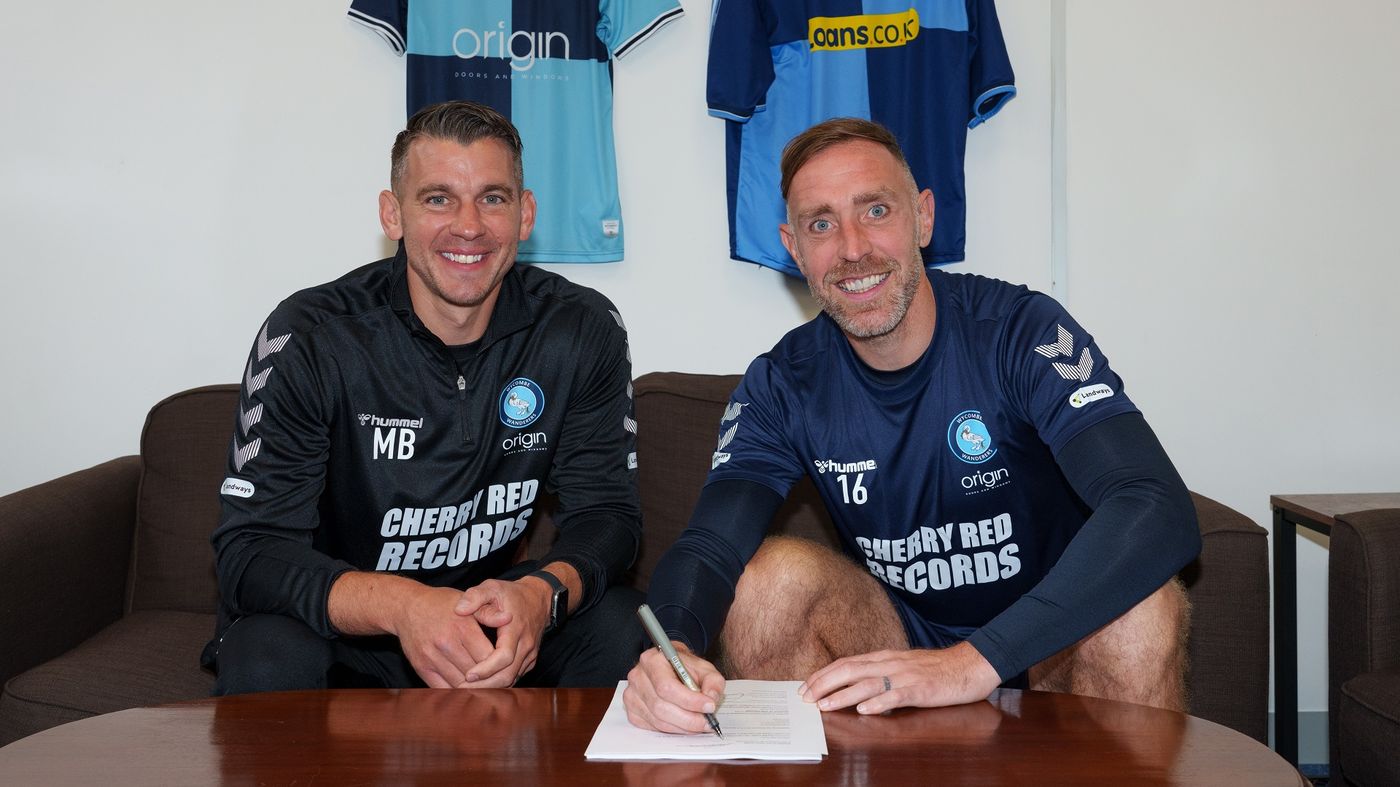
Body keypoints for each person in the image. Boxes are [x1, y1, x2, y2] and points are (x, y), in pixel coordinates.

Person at [624, 118, 1201, 733]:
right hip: (893, 644)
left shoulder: (1020, 330)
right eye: (821, 224)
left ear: (923, 217)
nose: (852, 248)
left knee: (1141, 608)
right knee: (767, 584)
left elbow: (1156, 505)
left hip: (1052, 640)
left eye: (875, 210)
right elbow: (711, 548)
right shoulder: (782, 384)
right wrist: (672, 649)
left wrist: (973, 663)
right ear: (793, 248)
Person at [204, 100, 646, 693]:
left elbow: (608, 517)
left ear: (525, 215)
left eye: (493, 198)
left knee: (624, 625)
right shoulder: (309, 336)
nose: (469, 225)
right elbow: (251, 551)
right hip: (352, 632)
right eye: (438, 198)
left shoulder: (580, 329)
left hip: (491, 629)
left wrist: (540, 595)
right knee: (266, 651)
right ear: (393, 215)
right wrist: (405, 606)